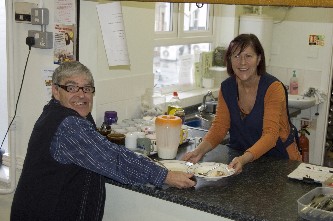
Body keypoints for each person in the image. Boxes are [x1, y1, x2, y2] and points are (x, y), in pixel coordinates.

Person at [10, 61, 196, 221]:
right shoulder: (69, 125)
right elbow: (113, 159)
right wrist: (165, 176)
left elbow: (100, 151)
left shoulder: (64, 113)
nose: (81, 95)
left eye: (87, 88)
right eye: (72, 88)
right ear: (56, 91)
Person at [183, 34, 301, 174]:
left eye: (248, 56)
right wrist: (198, 151)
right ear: (230, 60)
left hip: (280, 161)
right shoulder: (227, 87)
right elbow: (220, 127)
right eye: (236, 56)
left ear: (259, 59)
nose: (242, 62)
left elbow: (270, 135)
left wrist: (244, 159)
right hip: (242, 160)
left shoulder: (273, 88)